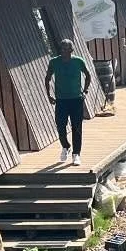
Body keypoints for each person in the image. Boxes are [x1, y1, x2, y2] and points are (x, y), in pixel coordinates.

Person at [45, 38, 91, 167]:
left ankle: (76, 154)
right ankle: (65, 146)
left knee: (76, 127)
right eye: (62, 49)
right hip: (61, 100)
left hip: (76, 99)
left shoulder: (78, 61)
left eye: (67, 49)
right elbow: (47, 78)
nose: (64, 51)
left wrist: (85, 91)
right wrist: (48, 95)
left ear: (72, 50)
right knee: (60, 125)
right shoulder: (54, 62)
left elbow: (88, 75)